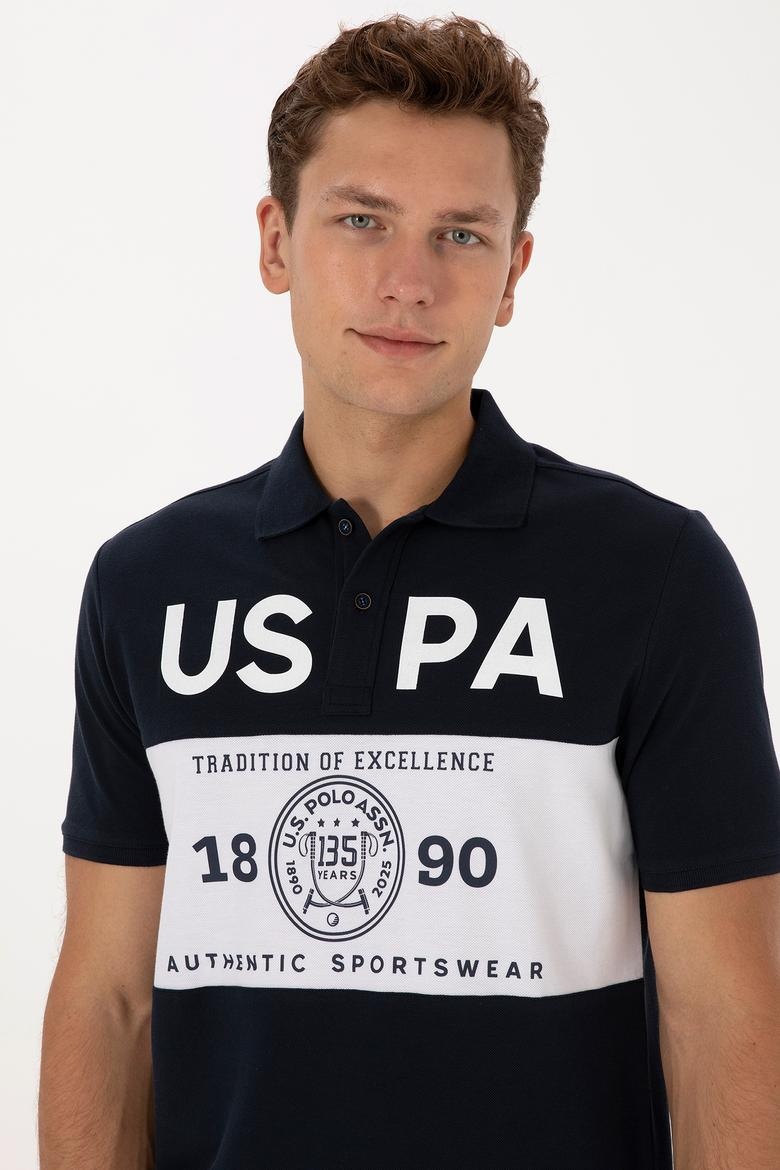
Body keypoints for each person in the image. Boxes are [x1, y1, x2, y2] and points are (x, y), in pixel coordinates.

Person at [39, 14, 780, 1170]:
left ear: (513, 273)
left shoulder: (655, 575)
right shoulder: (147, 585)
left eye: (461, 235)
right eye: (362, 220)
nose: (409, 283)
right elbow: (109, 1000)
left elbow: (722, 1014)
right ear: (276, 242)